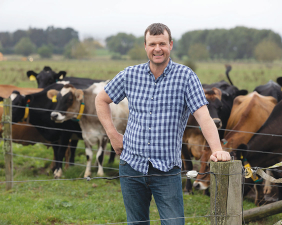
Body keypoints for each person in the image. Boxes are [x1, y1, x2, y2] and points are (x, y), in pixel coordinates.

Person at [95, 23, 231, 225]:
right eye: (152, 44)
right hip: (131, 165)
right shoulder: (130, 75)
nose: (157, 49)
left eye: (162, 43)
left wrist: (217, 150)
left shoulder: (186, 77)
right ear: (145, 46)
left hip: (166, 169)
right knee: (136, 222)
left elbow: (203, 116)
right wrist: (113, 135)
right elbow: (101, 99)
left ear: (170, 45)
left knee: (174, 223)